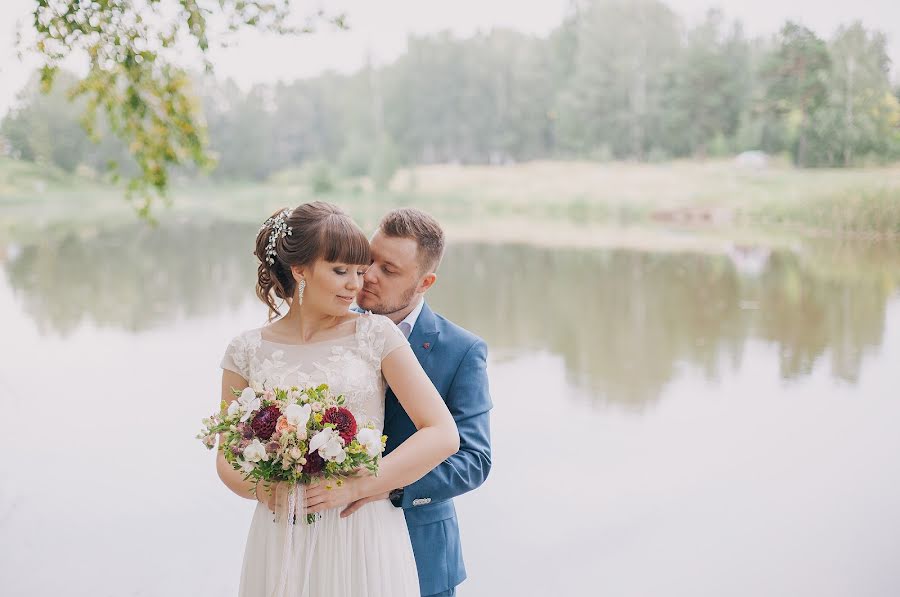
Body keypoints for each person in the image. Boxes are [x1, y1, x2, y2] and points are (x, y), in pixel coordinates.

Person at [215, 201, 459, 597]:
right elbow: (227, 458)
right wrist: (266, 491)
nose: (356, 285)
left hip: (360, 530)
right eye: (341, 271)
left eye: (360, 272)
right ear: (300, 270)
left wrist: (359, 486)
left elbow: (443, 433)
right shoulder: (245, 350)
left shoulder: (376, 335)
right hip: (282, 533)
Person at [347, 208, 493, 597]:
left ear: (425, 281)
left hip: (420, 556)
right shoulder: (328, 330)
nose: (370, 275)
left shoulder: (462, 351)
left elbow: (474, 461)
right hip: (337, 543)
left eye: (389, 270)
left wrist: (390, 486)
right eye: (369, 259)